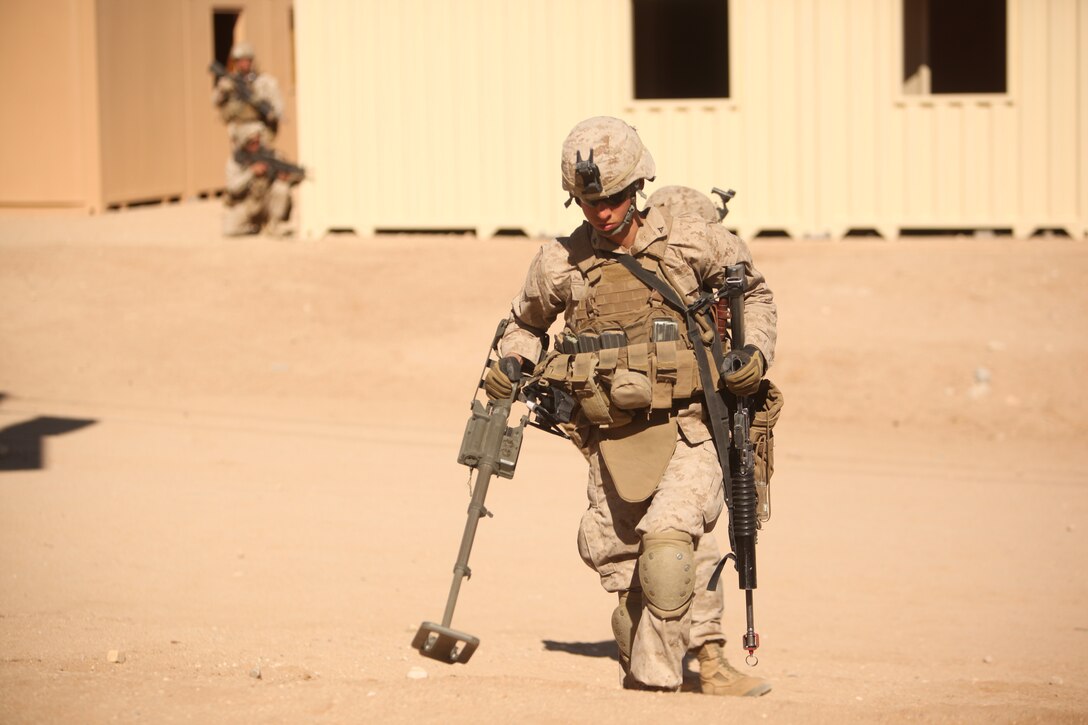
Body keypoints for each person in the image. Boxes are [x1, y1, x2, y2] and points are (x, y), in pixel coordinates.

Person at [484, 117, 778, 695]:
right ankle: (653, 652)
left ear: (637, 187)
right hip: (609, 438)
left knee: (672, 547)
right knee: (629, 578)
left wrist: (753, 353)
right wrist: (514, 362)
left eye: (614, 199)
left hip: (690, 425)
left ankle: (679, 679)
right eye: (589, 201)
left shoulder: (693, 243)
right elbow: (522, 325)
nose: (603, 213)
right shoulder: (559, 264)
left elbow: (757, 295)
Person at [222, 121, 302, 237]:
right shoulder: (235, 161)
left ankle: (274, 225)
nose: (256, 145)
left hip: (267, 202)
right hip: (247, 203)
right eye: (252, 143)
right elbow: (233, 187)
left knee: (281, 188)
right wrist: (251, 172)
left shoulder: (271, 156)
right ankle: (254, 228)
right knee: (229, 230)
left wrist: (286, 177)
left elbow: (291, 175)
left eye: (257, 141)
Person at [211, 41, 284, 144]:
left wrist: (270, 111)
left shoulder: (264, 82)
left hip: (258, 130)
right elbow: (214, 101)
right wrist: (223, 90)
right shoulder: (229, 81)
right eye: (240, 61)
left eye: (246, 60)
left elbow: (278, 106)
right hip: (237, 130)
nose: (243, 64)